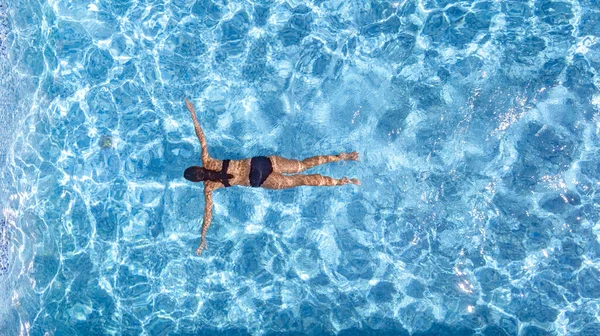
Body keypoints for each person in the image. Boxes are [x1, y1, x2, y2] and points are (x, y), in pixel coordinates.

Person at [183, 98, 360, 255]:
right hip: (261, 163)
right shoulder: (208, 161)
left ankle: (342, 181)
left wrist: (203, 237)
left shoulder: (209, 187)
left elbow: (208, 214)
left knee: (303, 180)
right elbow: (202, 138)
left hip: (261, 180)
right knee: (302, 165)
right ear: (198, 166)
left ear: (197, 181)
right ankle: (341, 157)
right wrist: (192, 113)